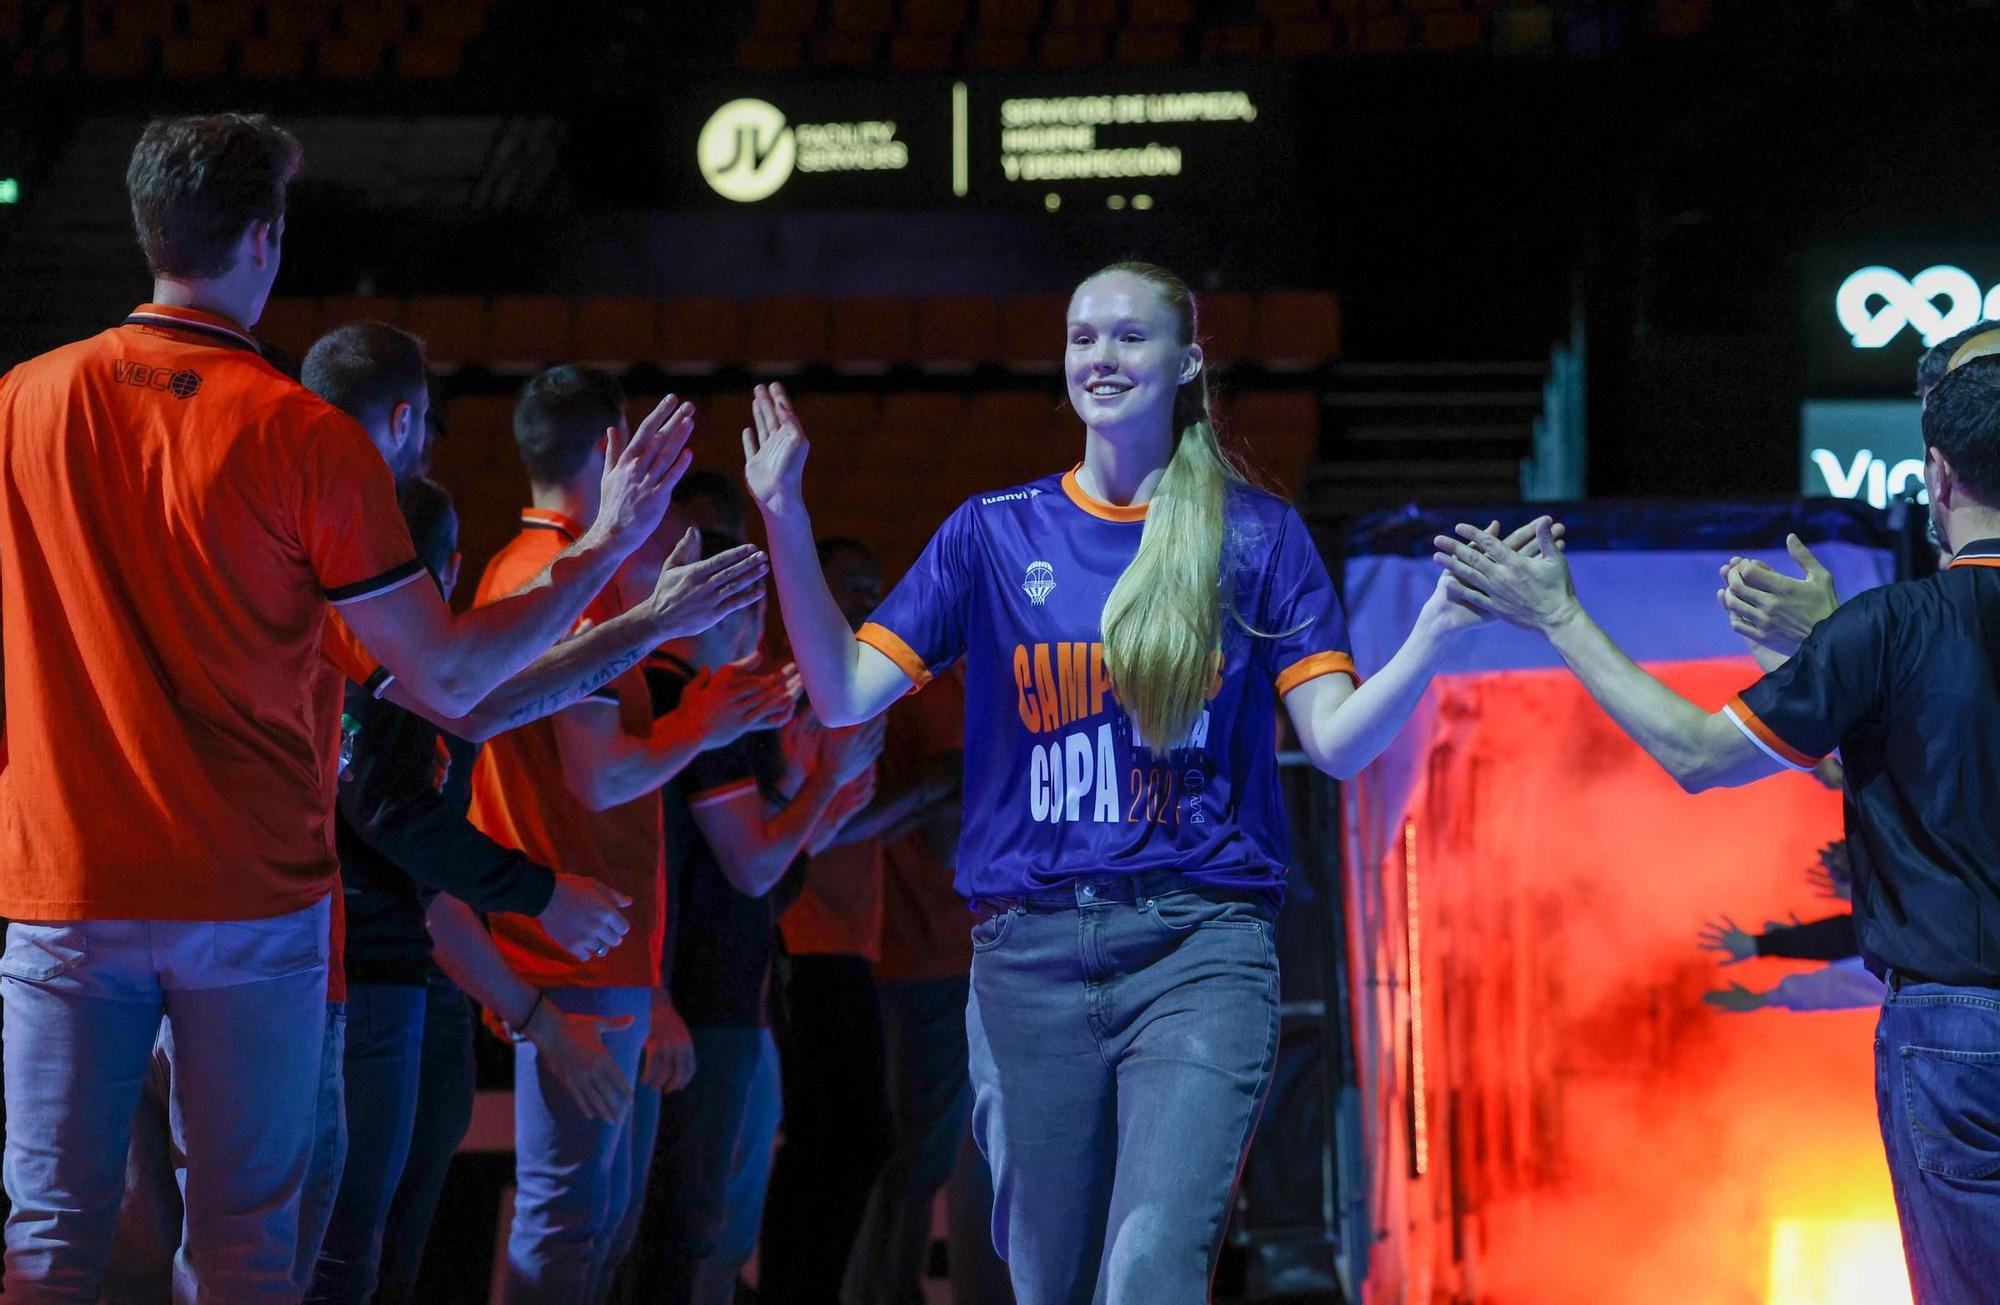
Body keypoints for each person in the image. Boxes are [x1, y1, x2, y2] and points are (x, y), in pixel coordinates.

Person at [739, 261, 1546, 1300]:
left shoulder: (1255, 535)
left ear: (1185, 362)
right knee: (1052, 1285)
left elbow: (1337, 741)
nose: (1100, 359)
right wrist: (785, 518)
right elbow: (845, 693)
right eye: (1082, 338)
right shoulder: (993, 531)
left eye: (1128, 338)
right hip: (1026, 959)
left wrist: (1434, 629)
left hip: (1197, 950)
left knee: (1148, 1271)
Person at [0, 114, 688, 1302]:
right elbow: (449, 681)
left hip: (63, 884)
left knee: (49, 1244)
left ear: (148, 229)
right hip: (250, 902)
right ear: (265, 239)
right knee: (247, 1253)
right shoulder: (301, 435)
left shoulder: (22, 401)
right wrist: (604, 552)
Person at [1430, 355, 2000, 1304]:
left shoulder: (1891, 627)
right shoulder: (1876, 631)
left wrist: (1558, 614)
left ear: (1938, 475)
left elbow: (1694, 753)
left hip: (1956, 1037)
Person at [468, 366, 795, 1304]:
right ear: (616, 452)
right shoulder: (565, 583)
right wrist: (707, 722)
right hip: (571, 954)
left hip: (594, 948)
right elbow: (601, 775)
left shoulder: (556, 572)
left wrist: (701, 671)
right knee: (572, 1226)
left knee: (592, 1227)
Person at [618, 529, 882, 1305]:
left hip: (724, 994)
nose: (757, 627)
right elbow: (751, 865)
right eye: (746, 602)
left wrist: (810, 798)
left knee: (698, 1224)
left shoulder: (699, 699)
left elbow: (755, 877)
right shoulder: (702, 701)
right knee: (682, 1223)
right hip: (699, 1001)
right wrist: (822, 783)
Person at [764, 537, 939, 1305]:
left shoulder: (861, 686)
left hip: (848, 942)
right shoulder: (802, 687)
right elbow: (813, 827)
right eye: (851, 588)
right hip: (805, 939)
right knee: (843, 1138)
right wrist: (918, 799)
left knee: (850, 1140)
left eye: (874, 587)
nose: (868, 601)